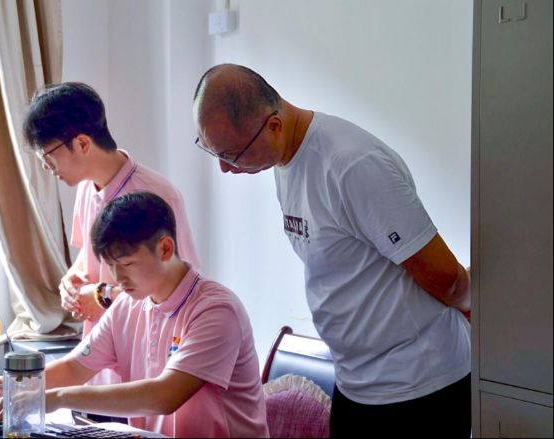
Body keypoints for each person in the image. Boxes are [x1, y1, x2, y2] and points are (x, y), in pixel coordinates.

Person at [192, 64, 471, 436]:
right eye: (214, 153)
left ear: (274, 125)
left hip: (418, 386)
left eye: (232, 155)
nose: (226, 169)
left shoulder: (353, 164)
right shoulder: (284, 161)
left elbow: (447, 278)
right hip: (356, 383)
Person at [0, 192, 269, 438]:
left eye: (126, 264)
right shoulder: (127, 306)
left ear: (165, 248)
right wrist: (7, 386)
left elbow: (164, 396)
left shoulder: (215, 310)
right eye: (111, 266)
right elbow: (76, 368)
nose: (117, 278)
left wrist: (56, 398)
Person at [23, 82, 199, 388]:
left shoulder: (157, 195)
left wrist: (104, 296)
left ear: (82, 143)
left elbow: (182, 288)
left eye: (47, 156)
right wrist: (71, 281)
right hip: (97, 359)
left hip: (147, 362)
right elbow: (89, 258)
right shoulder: (86, 189)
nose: (46, 168)